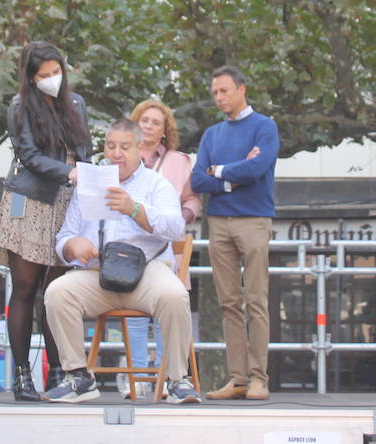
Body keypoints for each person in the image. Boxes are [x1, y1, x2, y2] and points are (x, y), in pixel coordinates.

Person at [40, 120, 199, 405]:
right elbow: (65, 236)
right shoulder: (90, 184)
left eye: (125, 147)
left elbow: (176, 227)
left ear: (139, 149)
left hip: (146, 271)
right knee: (57, 292)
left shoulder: (155, 184)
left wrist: (134, 209)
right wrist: (72, 245)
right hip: (98, 274)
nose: (117, 153)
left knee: (175, 295)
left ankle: (177, 379)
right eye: (111, 146)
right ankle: (78, 376)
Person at [0, 41, 93, 401]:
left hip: (67, 202)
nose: (52, 79)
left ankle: (60, 373)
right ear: (31, 77)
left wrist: (86, 173)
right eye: (43, 75)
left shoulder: (77, 103)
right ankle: (22, 376)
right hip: (30, 200)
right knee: (24, 289)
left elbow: (86, 150)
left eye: (56, 72)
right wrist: (69, 171)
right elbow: (30, 155)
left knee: (56, 294)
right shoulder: (20, 106)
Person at [190, 65, 279, 401]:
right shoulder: (212, 134)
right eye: (215, 92)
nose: (219, 98)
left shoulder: (265, 127)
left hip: (254, 219)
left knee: (256, 300)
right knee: (229, 302)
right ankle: (238, 378)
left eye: (224, 91)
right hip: (219, 222)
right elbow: (198, 180)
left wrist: (219, 172)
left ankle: (259, 377)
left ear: (242, 89)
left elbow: (257, 169)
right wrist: (232, 175)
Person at [121, 99, 200, 393]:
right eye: (144, 120)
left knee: (166, 309)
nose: (150, 126)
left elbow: (192, 198)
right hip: (129, 246)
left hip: (167, 248)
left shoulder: (180, 161)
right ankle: (138, 379)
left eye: (156, 122)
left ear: (165, 130)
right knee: (134, 314)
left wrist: (182, 217)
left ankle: (168, 378)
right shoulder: (122, 156)